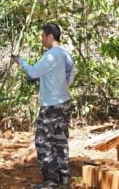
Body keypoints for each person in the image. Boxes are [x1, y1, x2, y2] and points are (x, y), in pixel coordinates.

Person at [12, 23, 74, 188]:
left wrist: (21, 61)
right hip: (64, 102)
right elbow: (70, 80)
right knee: (60, 140)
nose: (41, 39)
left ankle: (51, 181)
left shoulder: (52, 54)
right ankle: (64, 177)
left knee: (43, 141)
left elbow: (33, 72)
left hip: (51, 105)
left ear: (50, 36)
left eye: (42, 36)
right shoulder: (66, 55)